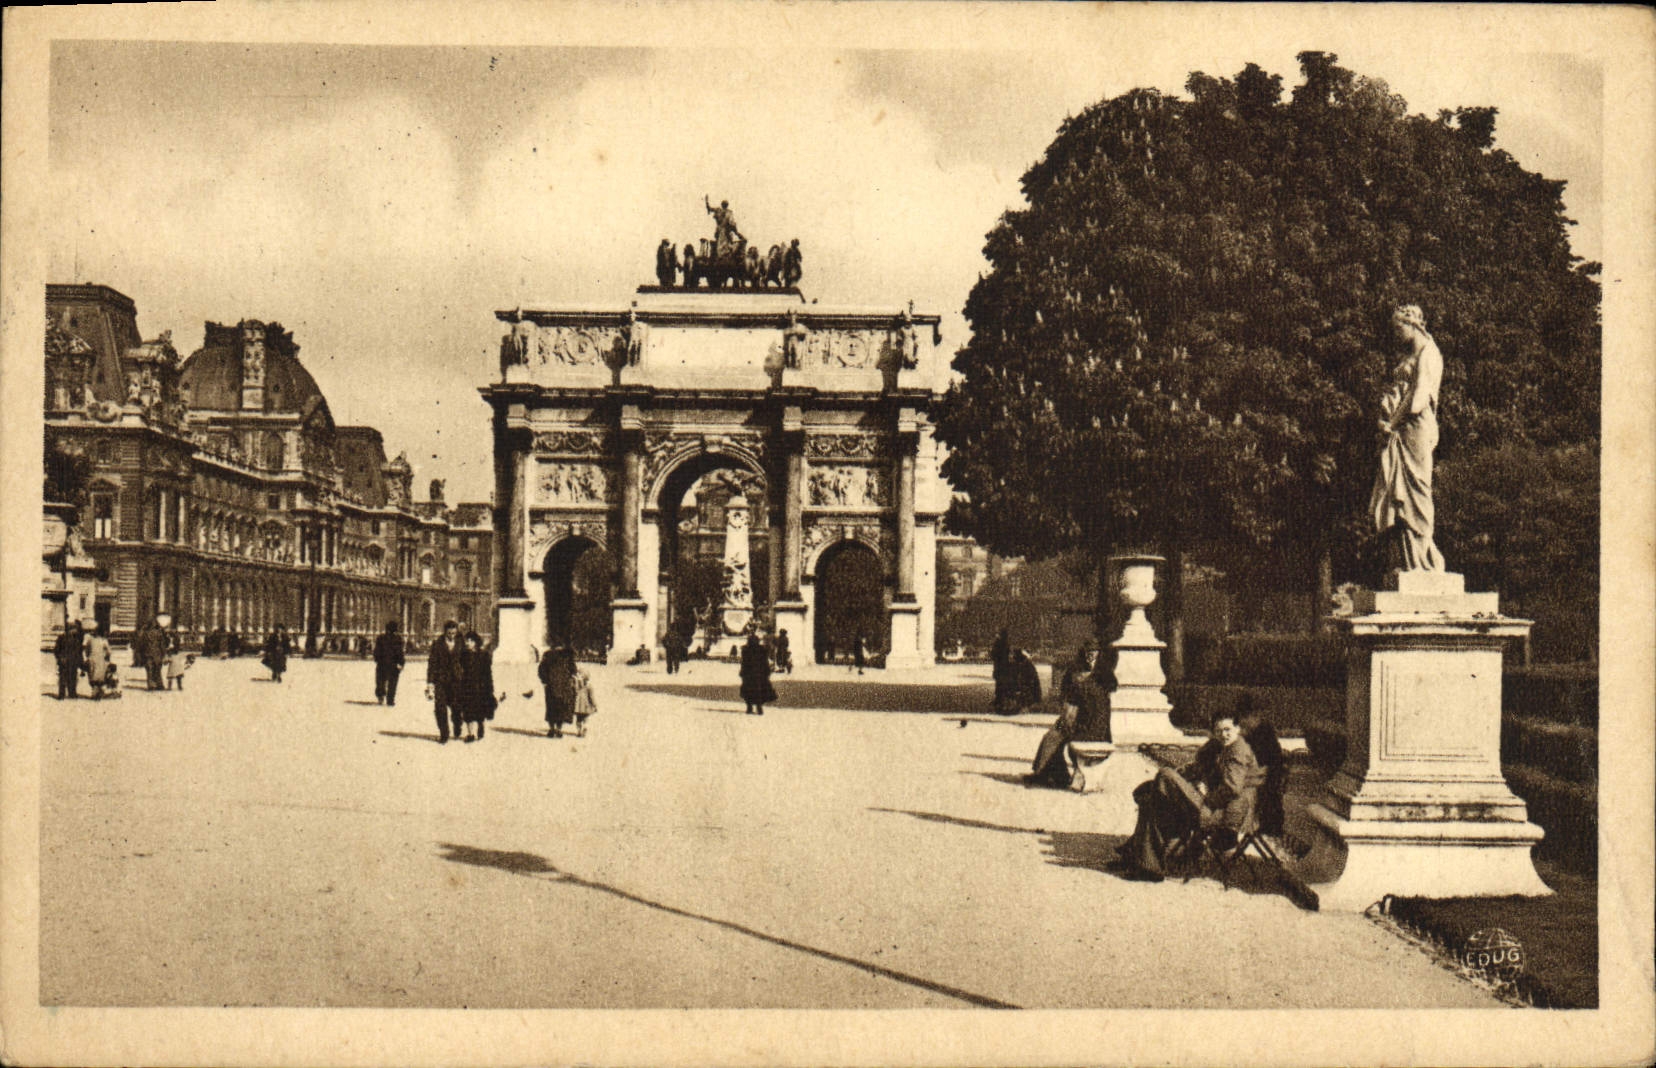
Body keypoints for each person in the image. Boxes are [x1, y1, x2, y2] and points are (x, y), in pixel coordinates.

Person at [1114, 716, 1263, 882]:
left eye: (1227, 730)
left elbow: (1231, 788)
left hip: (1225, 813)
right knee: (1152, 803)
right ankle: (1143, 864)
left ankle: (1139, 859)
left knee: (1165, 775)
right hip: (1214, 806)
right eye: (1219, 731)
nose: (1223, 734)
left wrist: (1206, 801)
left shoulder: (1239, 750)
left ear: (1237, 729)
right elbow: (1197, 768)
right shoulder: (1219, 747)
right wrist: (1183, 778)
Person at [1370, 303, 1445, 573]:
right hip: (1401, 430)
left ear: (1412, 324)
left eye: (1399, 327)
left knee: (1418, 489)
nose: (1396, 334)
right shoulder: (1410, 354)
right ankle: (1408, 561)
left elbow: (1418, 398)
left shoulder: (1429, 353)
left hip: (1416, 428)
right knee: (1398, 492)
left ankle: (1424, 559)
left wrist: (1391, 422)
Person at [1236, 697, 1287, 839]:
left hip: (1261, 794)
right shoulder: (1262, 733)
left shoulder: (1260, 736)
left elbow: (1257, 767)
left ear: (1253, 715)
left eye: (1243, 718)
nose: (1241, 723)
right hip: (1265, 791)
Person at [425, 620, 465, 744]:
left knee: (457, 708)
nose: (452, 634)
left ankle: (457, 726)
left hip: (457, 681)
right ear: (445, 631)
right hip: (441, 681)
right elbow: (432, 664)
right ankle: (444, 734)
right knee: (440, 708)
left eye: (454, 631)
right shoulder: (437, 644)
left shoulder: (461, 643)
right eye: (449, 632)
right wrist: (430, 682)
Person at [458, 632, 497, 742]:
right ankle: (470, 734)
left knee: (481, 710)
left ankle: (481, 726)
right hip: (467, 686)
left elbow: (488, 673)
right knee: (467, 711)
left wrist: (490, 688)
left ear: (475, 642)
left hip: (481, 686)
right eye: (467, 641)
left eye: (470, 641)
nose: (468, 643)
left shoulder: (484, 655)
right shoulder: (463, 655)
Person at [539, 644, 578, 737]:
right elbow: (574, 670)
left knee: (551, 707)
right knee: (562, 707)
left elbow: (541, 670)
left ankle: (552, 729)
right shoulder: (567, 656)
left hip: (551, 686)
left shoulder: (548, 656)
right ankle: (559, 729)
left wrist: (545, 681)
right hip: (564, 686)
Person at [739, 631, 776, 715]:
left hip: (749, 674)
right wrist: (767, 671)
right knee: (759, 691)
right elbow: (765, 662)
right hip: (759, 674)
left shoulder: (745, 650)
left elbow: (744, 662)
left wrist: (742, 672)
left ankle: (749, 707)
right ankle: (759, 707)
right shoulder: (762, 650)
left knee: (748, 690)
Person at [82, 621, 117, 700]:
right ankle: (98, 691)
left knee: (92, 676)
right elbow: (109, 651)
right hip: (101, 660)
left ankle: (94, 691)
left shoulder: (90, 640)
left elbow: (86, 651)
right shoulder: (103, 641)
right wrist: (107, 657)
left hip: (92, 660)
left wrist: (88, 656)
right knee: (100, 677)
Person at [373, 620, 405, 706]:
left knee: (380, 681)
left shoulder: (381, 638)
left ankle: (381, 695)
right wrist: (401, 664)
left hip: (382, 664)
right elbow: (400, 653)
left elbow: (376, 651)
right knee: (392, 683)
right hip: (393, 665)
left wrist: (377, 659)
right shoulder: (398, 639)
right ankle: (390, 699)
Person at [135, 617, 168, 691]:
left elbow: (141, 644)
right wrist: (164, 653)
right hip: (156, 654)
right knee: (157, 669)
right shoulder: (158, 633)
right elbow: (162, 644)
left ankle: (152, 685)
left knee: (150, 669)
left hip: (149, 654)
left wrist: (140, 654)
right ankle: (159, 684)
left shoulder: (145, 633)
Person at [54, 620, 84, 699]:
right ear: (70, 629)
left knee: (70, 678)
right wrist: (60, 658)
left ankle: (69, 694)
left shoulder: (73, 638)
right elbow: (57, 650)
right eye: (74, 629)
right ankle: (66, 694)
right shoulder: (67, 638)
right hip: (68, 661)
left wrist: (59, 658)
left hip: (69, 661)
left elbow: (78, 651)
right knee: (67, 678)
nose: (76, 631)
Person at [570, 663, 597, 737]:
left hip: (577, 705)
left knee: (578, 719)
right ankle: (585, 727)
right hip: (586, 705)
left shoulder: (575, 685)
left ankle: (579, 731)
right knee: (585, 718)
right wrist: (594, 705)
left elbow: (572, 694)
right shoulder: (589, 686)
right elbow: (591, 697)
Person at [990, 628, 1012, 713]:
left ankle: (999, 699)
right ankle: (1002, 699)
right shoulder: (1006, 644)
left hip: (999, 666)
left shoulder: (998, 643)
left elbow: (993, 654)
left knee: (999, 682)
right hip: (1004, 666)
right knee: (1003, 682)